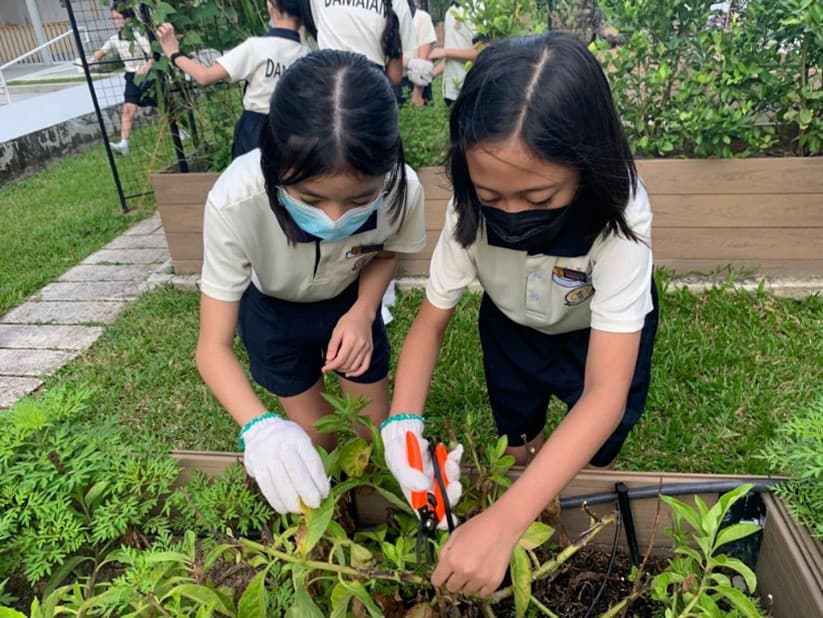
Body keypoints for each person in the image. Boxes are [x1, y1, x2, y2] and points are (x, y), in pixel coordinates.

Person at [381, 32, 659, 596]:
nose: (510, 213)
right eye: (491, 196)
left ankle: (571, 509)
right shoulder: (467, 207)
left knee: (600, 440)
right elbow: (431, 322)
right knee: (517, 433)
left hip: (596, 334)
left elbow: (605, 392)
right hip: (511, 327)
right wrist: (402, 426)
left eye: (537, 199)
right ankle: (519, 488)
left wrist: (505, 525)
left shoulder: (620, 215)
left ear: (588, 166)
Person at [196, 50, 426, 514]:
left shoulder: (403, 190)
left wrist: (364, 312)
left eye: (359, 199)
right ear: (274, 163)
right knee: (315, 441)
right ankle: (333, 522)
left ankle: (377, 512)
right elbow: (211, 347)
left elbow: (387, 251)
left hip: (349, 304)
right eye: (310, 198)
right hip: (273, 314)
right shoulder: (234, 201)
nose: (335, 218)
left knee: (371, 436)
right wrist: (257, 427)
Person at [156, 0, 309, 159]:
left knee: (249, 179)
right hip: (292, 132)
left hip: (255, 131)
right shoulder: (307, 54)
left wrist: (173, 53)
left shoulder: (257, 47)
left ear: (271, 6)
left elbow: (204, 76)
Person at [301, 0, 434, 88]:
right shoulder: (399, 4)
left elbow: (317, 27)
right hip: (372, 93)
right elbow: (395, 76)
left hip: (327, 88)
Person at [83, 4, 154, 155]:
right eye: (112, 18)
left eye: (117, 18)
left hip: (147, 76)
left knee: (163, 104)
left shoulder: (138, 36)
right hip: (131, 77)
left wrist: (146, 68)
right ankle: (124, 144)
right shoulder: (115, 39)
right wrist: (90, 62)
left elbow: (152, 55)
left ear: (128, 19)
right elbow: (102, 51)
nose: (114, 22)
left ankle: (180, 130)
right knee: (128, 110)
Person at [429, 0, 479, 105]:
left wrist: (445, 52)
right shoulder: (451, 11)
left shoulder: (478, 10)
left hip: (469, 89)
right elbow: (454, 53)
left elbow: (482, 53)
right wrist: (433, 72)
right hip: (451, 90)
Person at [394, 0, 437, 105]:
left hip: (413, 83)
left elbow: (423, 61)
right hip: (388, 83)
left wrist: (417, 94)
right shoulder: (385, 18)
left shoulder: (421, 18)